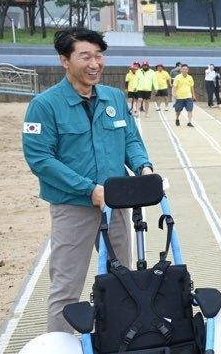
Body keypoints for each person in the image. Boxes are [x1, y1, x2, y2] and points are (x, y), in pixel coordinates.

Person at [22, 28, 153, 333]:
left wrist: (143, 167)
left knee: (124, 281)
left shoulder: (114, 98)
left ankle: (120, 346)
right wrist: (88, 190)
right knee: (67, 288)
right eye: (85, 56)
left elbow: (131, 139)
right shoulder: (44, 105)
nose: (95, 63)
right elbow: (40, 159)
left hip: (115, 204)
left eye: (99, 55)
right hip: (73, 207)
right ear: (64, 60)